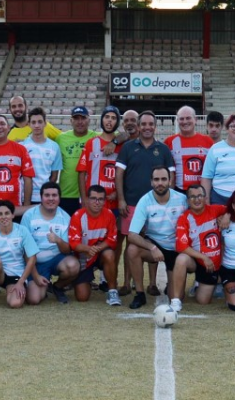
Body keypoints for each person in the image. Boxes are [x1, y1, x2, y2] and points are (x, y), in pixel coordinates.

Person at [116, 110, 176, 295]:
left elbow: (171, 176)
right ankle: (126, 282)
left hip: (155, 206)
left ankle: (151, 284)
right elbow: (119, 174)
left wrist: (165, 200)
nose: (147, 127)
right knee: (131, 243)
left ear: (155, 126)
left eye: (151, 124)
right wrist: (121, 199)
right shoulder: (127, 147)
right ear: (139, 126)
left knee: (152, 240)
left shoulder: (163, 148)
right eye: (144, 124)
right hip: (132, 204)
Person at [125, 167, 188, 309]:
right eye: (156, 179)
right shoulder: (144, 201)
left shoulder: (182, 199)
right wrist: (152, 247)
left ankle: (170, 285)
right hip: (154, 244)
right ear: (151, 182)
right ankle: (140, 294)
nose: (160, 183)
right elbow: (132, 235)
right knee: (133, 249)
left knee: (176, 297)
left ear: (170, 181)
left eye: (164, 179)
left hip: (176, 249)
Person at [20, 182, 79, 305]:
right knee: (34, 299)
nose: (51, 198)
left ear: (59, 198)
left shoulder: (65, 217)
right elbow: (24, 249)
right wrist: (35, 275)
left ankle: (57, 287)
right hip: (34, 263)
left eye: (54, 195)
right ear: (41, 198)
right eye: (47, 195)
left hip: (55, 260)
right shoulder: (29, 216)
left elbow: (67, 250)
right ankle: (41, 284)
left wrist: (58, 240)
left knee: (73, 265)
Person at [172, 184, 228, 311]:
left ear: (205, 197)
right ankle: (175, 301)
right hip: (198, 263)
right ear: (187, 201)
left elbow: (232, 208)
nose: (197, 200)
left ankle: (204, 284)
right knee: (181, 259)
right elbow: (181, 246)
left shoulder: (215, 209)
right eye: (192, 197)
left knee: (203, 301)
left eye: (200, 196)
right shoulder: (184, 218)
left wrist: (227, 215)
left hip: (217, 263)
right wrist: (204, 257)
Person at [0, 200, 40, 310]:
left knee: (15, 303)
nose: (4, 217)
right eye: (0, 214)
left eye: (7, 213)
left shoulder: (22, 231)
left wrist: (21, 282)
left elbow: (32, 258)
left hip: (15, 274)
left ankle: (17, 289)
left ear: (12, 215)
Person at [69, 185, 120, 305]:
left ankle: (112, 291)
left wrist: (96, 249)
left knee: (109, 254)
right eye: (93, 198)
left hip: (99, 254)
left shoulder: (109, 215)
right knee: (82, 297)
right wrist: (87, 249)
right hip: (83, 258)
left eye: (100, 199)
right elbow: (73, 244)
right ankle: (82, 280)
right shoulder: (78, 216)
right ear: (86, 199)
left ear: (104, 201)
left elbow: (112, 239)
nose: (97, 202)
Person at [55, 106, 98, 215]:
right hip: (65, 194)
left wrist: (115, 142)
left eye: (83, 118)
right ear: (71, 121)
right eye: (76, 118)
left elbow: (121, 135)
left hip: (88, 195)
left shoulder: (96, 137)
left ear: (89, 120)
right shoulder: (61, 138)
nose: (80, 122)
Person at [77, 106, 122, 208]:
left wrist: (117, 193)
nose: (109, 120)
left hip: (113, 203)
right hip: (92, 203)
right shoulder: (91, 143)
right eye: (107, 117)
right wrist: (84, 198)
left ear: (117, 122)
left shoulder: (123, 146)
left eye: (113, 118)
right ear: (102, 120)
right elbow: (81, 173)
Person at [166, 106, 213, 193]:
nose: (185, 122)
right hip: (179, 191)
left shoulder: (208, 141)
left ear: (196, 119)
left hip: (200, 192)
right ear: (177, 121)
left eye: (188, 118)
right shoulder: (169, 142)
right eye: (181, 119)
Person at [22, 108, 63, 206]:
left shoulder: (54, 147)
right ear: (29, 124)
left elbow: (54, 176)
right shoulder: (22, 146)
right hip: (25, 197)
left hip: (45, 197)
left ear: (45, 123)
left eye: (40, 122)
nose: (37, 125)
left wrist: (45, 191)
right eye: (34, 122)